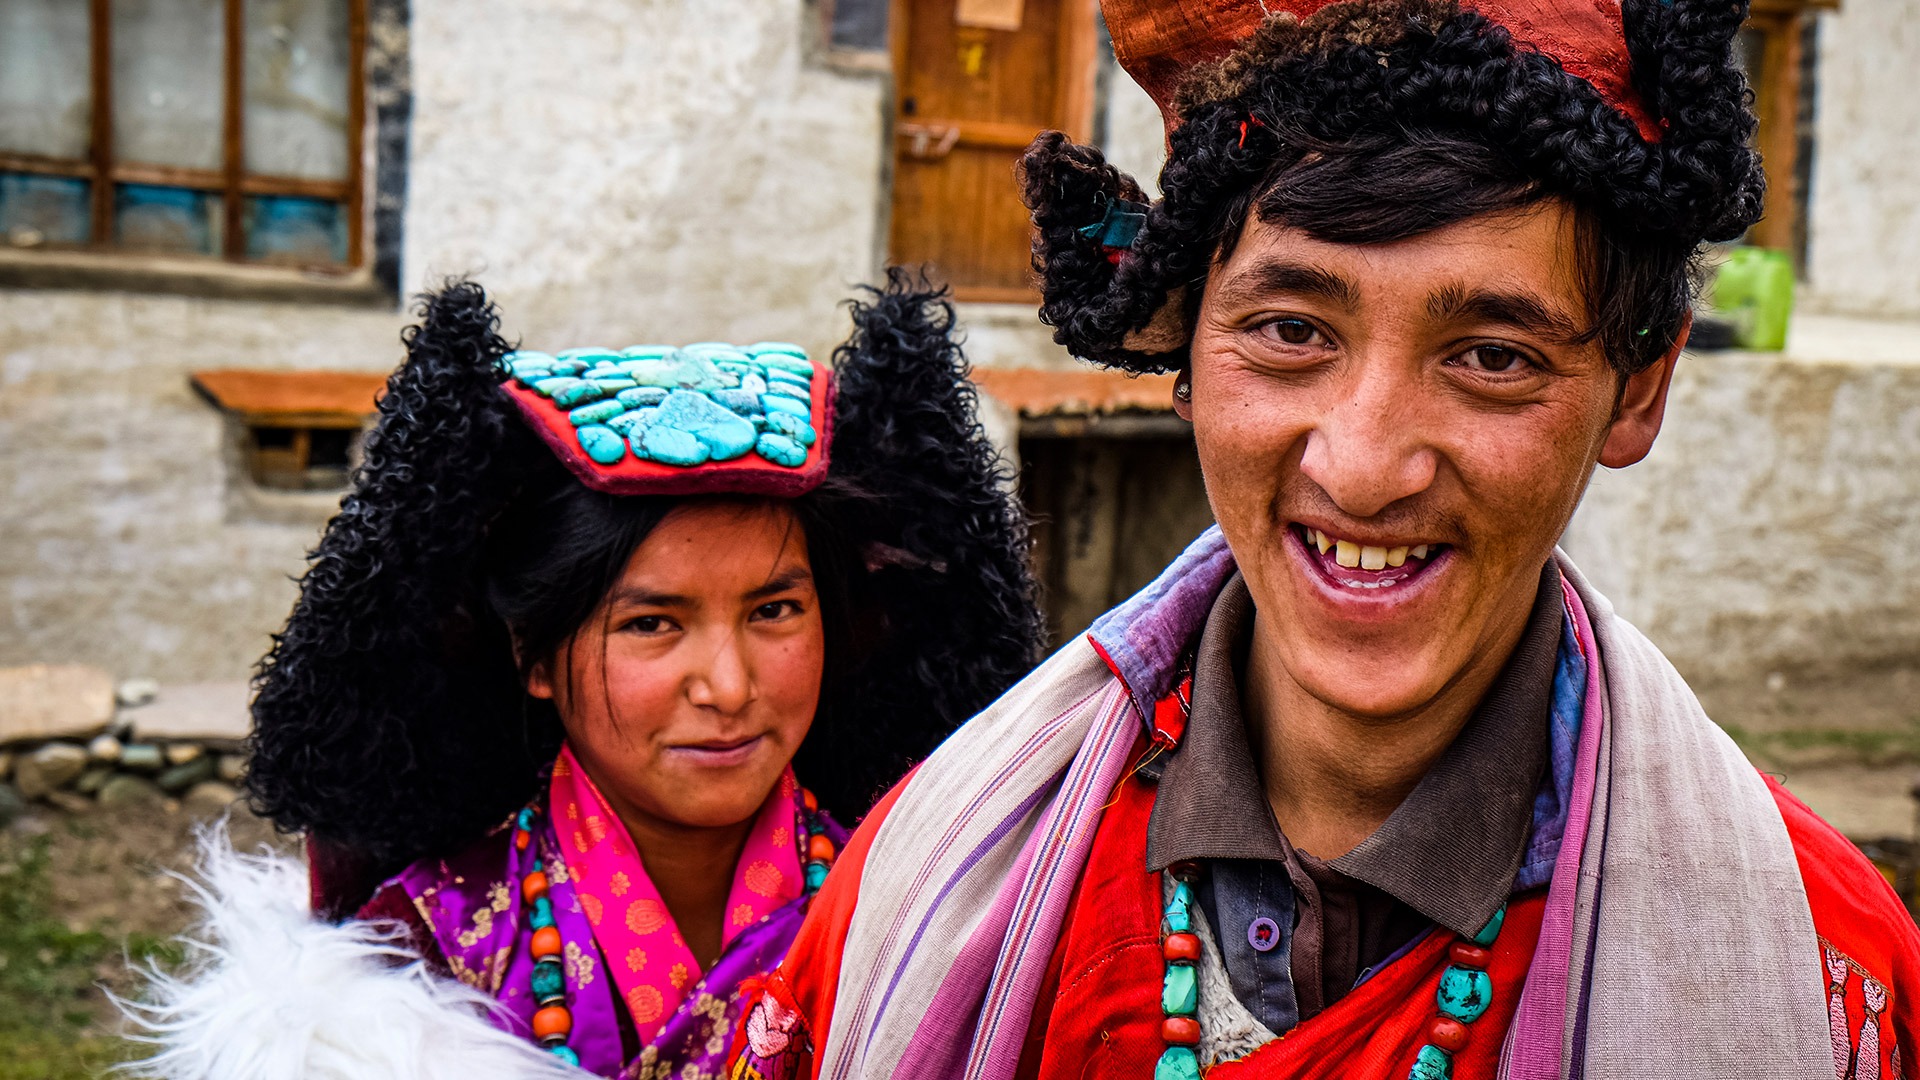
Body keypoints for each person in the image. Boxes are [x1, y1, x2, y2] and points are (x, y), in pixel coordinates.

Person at [732, 2, 1920, 1079]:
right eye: (1292, 329)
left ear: (1638, 392)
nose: (1360, 466)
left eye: (1493, 357)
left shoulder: (1834, 982)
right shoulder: (939, 880)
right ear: (1185, 348)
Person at [127, 272, 1043, 1080]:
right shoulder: (405, 966)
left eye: (774, 612)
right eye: (651, 624)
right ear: (530, 655)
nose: (727, 687)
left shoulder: (929, 918)